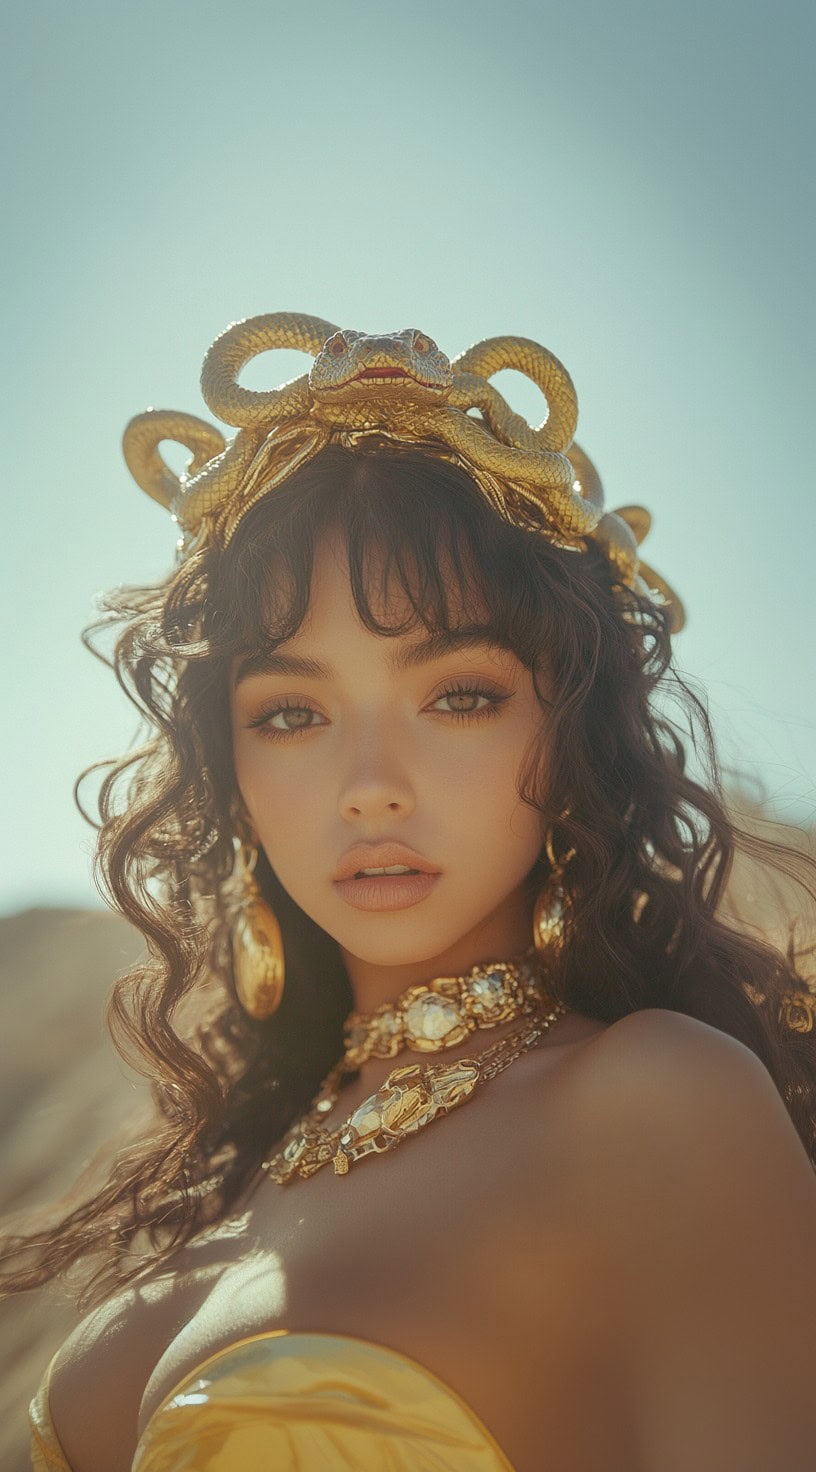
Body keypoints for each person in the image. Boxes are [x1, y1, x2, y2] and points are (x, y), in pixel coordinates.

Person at [5, 312, 816, 1471]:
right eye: (292, 712)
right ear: (229, 766)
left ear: (569, 734)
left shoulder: (657, 1101)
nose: (371, 787)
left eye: (460, 696)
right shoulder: (230, 1180)